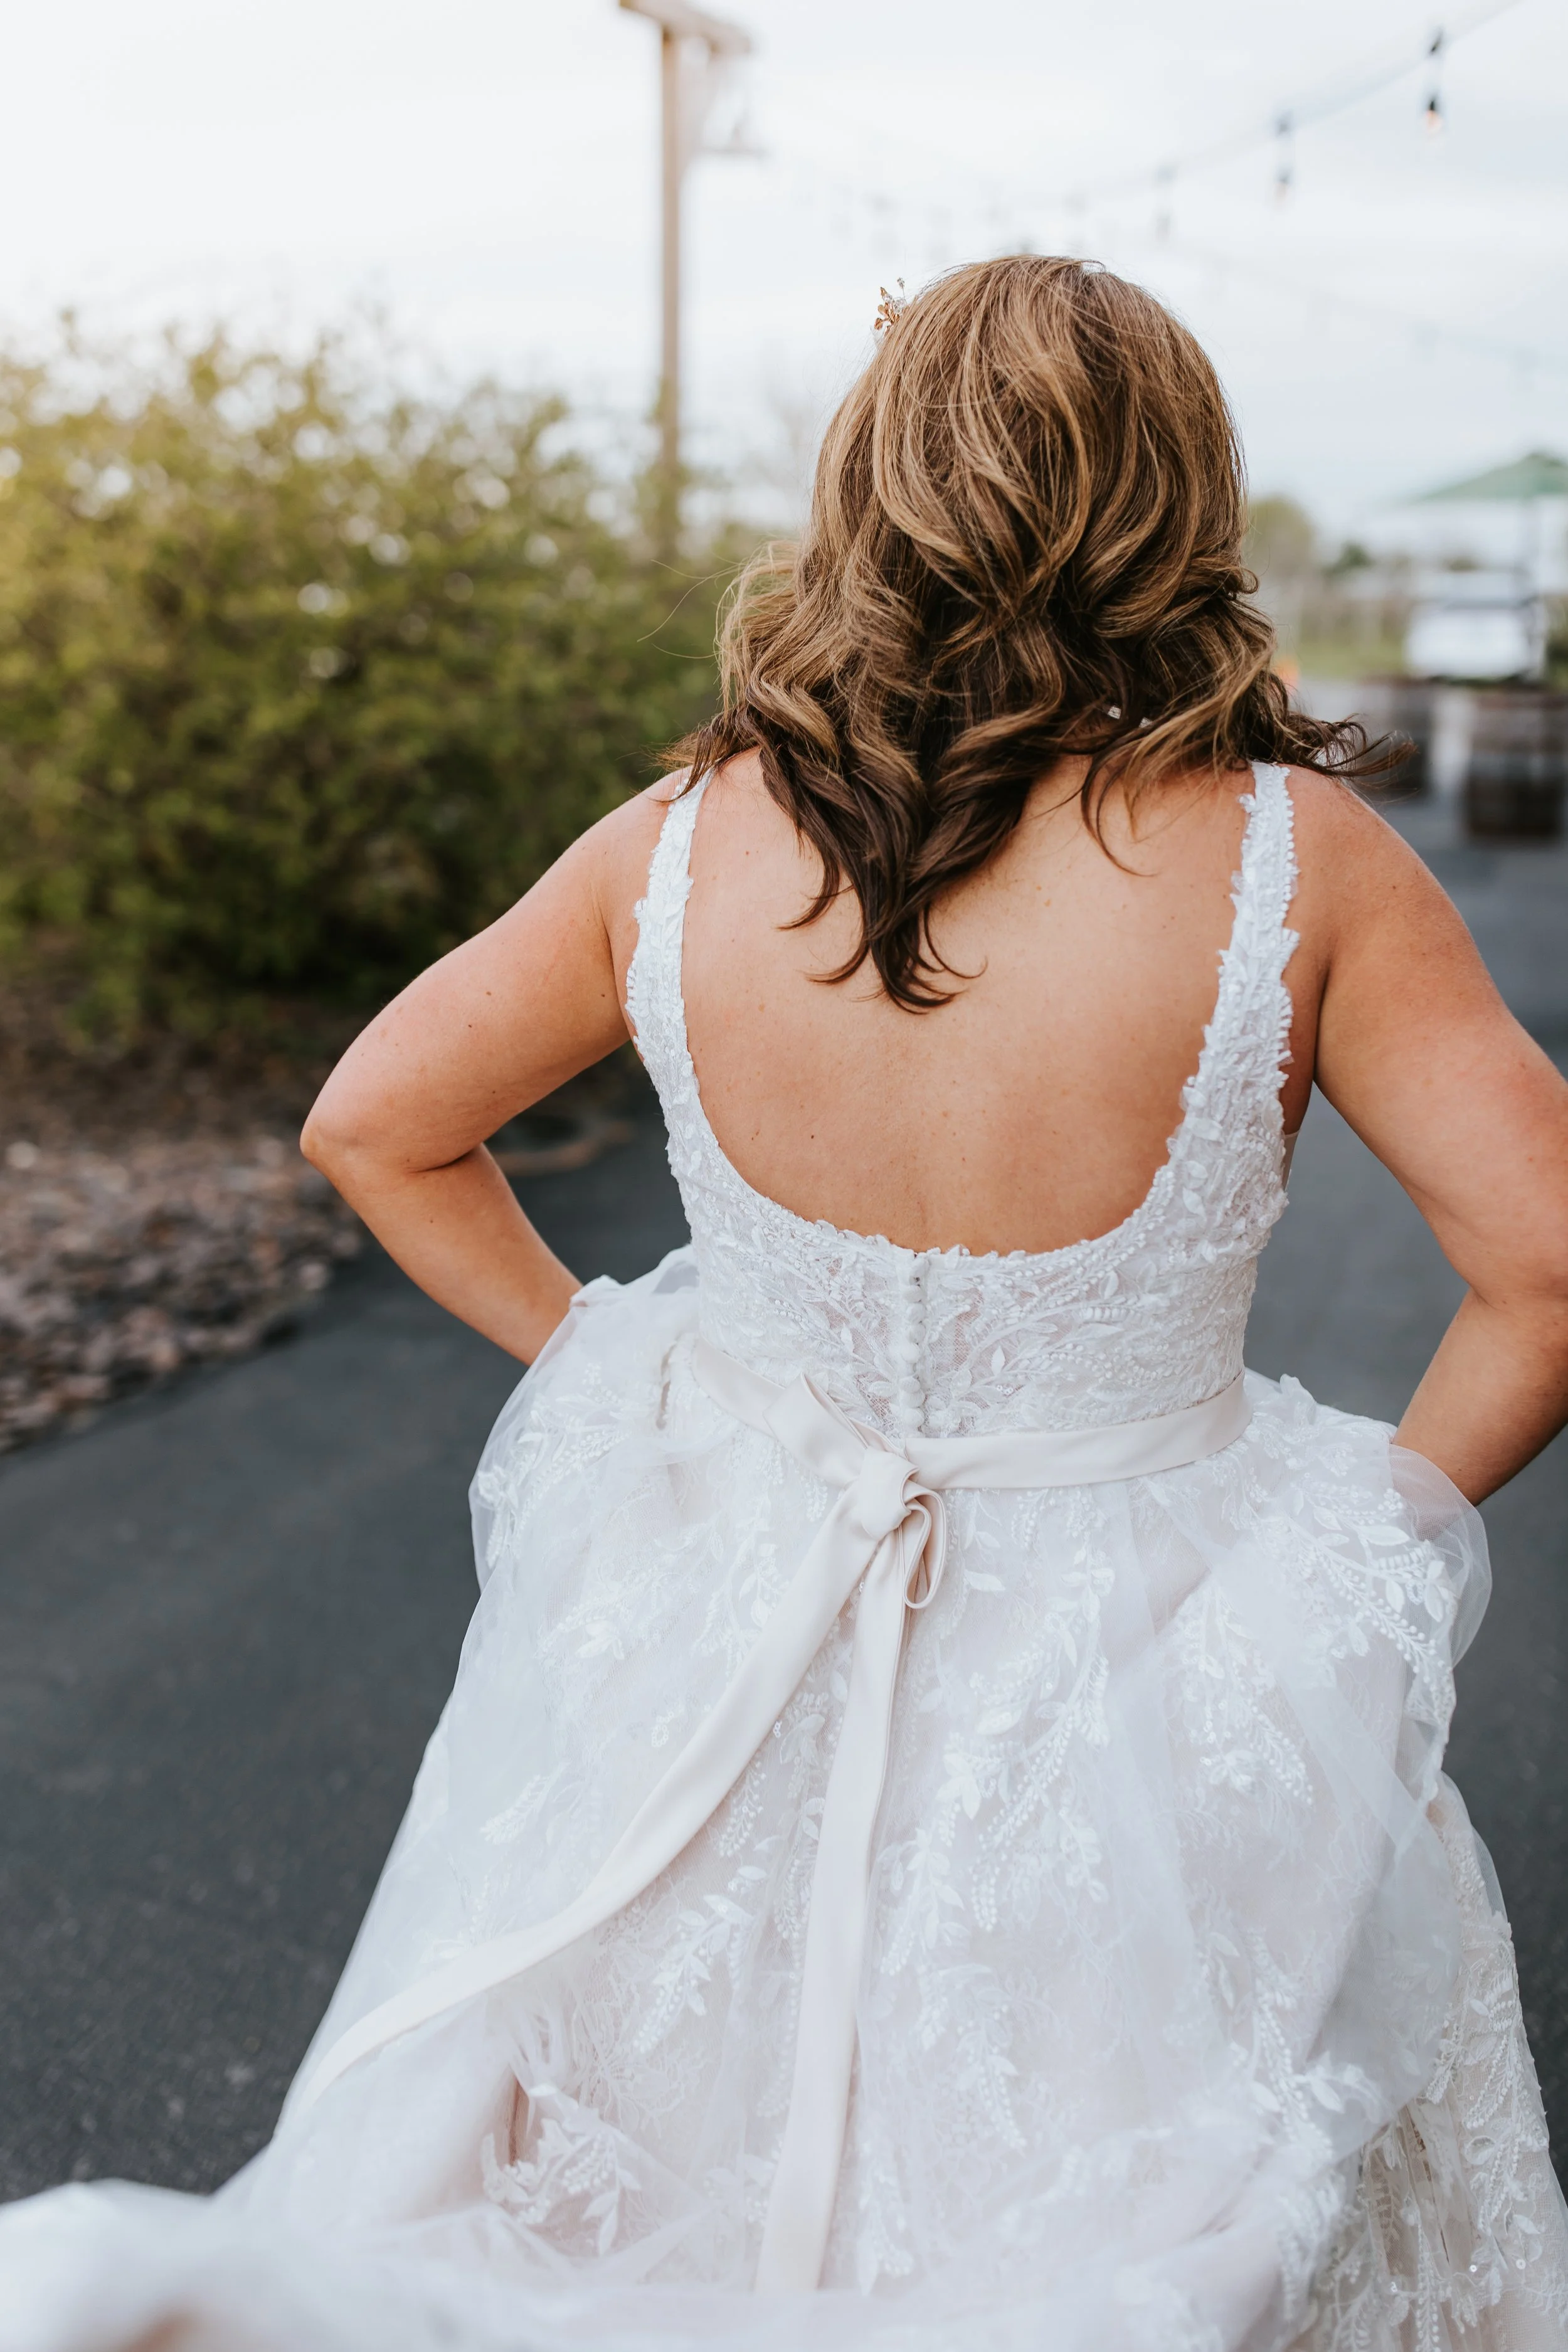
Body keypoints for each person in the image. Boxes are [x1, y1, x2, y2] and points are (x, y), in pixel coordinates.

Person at [3, 255, 1567, 2352]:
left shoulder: (682, 842)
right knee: (1114, 2214)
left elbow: (375, 1120)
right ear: (1174, 501)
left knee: (642, 2181)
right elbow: (1544, 1266)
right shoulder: (1295, 858)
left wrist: (607, 1360)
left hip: (716, 1624)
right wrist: (1356, 1539)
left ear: (870, 487)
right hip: (1148, 1669)